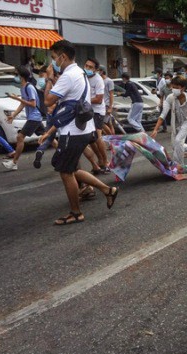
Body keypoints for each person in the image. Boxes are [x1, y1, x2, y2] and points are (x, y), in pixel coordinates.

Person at [39, 40, 119, 225]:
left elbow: (48, 101)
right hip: (80, 128)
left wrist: (50, 78)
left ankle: (76, 213)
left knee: (66, 172)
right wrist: (51, 130)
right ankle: (108, 190)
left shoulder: (68, 75)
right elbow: (68, 106)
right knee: (72, 168)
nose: (53, 63)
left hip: (73, 132)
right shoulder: (79, 73)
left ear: (63, 56)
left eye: (53, 58)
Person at [150, 75, 187, 164]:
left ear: (183, 88)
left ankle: (178, 166)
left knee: (178, 141)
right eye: (173, 87)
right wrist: (155, 129)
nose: (173, 89)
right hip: (175, 124)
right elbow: (163, 114)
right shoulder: (170, 98)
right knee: (175, 146)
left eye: (176, 87)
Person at [3, 65, 45, 171]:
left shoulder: (29, 87)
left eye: (16, 74)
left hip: (34, 117)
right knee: (47, 137)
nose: (15, 76)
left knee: (19, 137)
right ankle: (62, 151)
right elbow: (23, 105)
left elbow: (33, 104)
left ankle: (14, 162)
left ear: (21, 76)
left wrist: (17, 99)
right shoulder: (23, 87)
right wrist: (13, 115)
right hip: (34, 117)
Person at [84, 57, 109, 174]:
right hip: (86, 111)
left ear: (95, 70)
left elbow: (99, 99)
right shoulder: (82, 77)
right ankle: (99, 161)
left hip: (97, 111)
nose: (87, 68)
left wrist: (84, 100)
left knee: (97, 136)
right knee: (90, 139)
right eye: (86, 66)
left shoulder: (98, 80)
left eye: (90, 67)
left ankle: (105, 161)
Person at [99, 65, 115, 135]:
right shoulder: (99, 81)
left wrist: (110, 107)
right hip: (101, 104)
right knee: (109, 123)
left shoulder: (109, 81)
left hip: (106, 105)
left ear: (102, 71)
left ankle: (111, 137)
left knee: (102, 123)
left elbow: (111, 94)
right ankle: (113, 139)